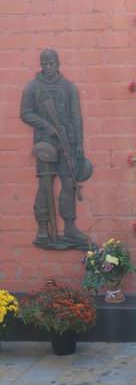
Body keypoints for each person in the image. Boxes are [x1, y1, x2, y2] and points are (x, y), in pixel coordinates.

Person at [20, 48, 90, 250]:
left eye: (52, 62)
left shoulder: (69, 88)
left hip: (67, 142)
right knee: (45, 185)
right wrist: (46, 126)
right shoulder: (32, 87)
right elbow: (26, 113)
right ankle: (43, 227)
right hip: (45, 143)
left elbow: (77, 117)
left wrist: (79, 144)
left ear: (58, 63)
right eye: (45, 63)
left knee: (69, 183)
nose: (48, 67)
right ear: (41, 64)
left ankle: (69, 227)